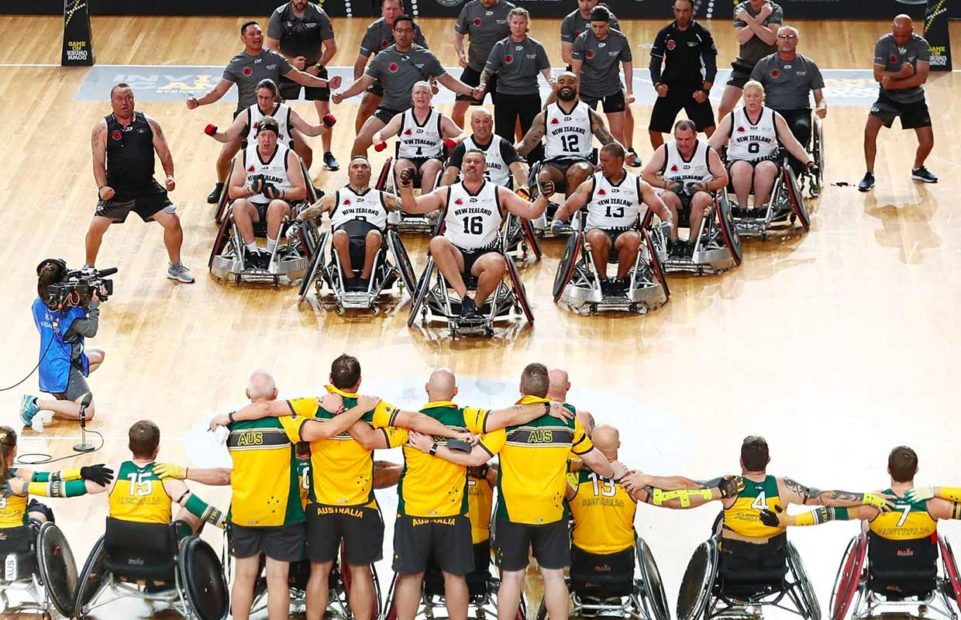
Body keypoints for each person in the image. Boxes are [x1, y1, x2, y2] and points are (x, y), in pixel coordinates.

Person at [208, 357, 475, 620]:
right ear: (359, 382)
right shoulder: (372, 407)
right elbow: (415, 421)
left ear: (330, 380)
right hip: (360, 506)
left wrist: (228, 417)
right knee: (360, 573)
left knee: (319, 571)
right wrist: (455, 435)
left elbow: (266, 409)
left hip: (321, 507)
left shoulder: (313, 405)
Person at [361, 368, 575, 620]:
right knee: (455, 577)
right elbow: (508, 417)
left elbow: (370, 440)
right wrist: (545, 407)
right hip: (453, 515)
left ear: (427, 389)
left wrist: (352, 413)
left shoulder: (408, 423)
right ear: (455, 392)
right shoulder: (468, 417)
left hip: (412, 513)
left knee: (410, 577)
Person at [418, 363, 626, 620]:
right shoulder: (569, 420)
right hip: (551, 512)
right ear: (548, 389)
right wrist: (611, 472)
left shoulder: (506, 423)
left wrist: (432, 448)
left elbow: (474, 460)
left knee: (512, 579)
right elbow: (595, 460)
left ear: (520, 388)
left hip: (513, 514)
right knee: (553, 577)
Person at [628, 435, 890, 584]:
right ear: (768, 461)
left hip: (732, 567)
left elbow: (684, 487)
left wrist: (645, 482)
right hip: (772, 566)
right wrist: (868, 497)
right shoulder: (783, 486)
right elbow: (826, 498)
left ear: (740, 461)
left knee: (722, 520)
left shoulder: (729, 486)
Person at [186, 21, 340, 203]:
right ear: (243, 38)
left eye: (259, 33)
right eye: (252, 34)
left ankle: (299, 183)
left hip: (276, 119)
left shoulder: (274, 59)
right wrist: (198, 102)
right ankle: (221, 186)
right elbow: (218, 92)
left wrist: (326, 83)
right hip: (247, 118)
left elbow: (301, 77)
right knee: (224, 158)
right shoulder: (237, 64)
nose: (257, 37)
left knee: (306, 151)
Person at [398, 151, 550, 319]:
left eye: (477, 162)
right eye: (468, 161)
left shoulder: (500, 193)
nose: (472, 164)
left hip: (485, 255)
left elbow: (532, 212)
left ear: (485, 167)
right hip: (456, 255)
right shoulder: (446, 192)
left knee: (498, 263)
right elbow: (412, 207)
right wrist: (406, 187)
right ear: (461, 167)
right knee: (437, 242)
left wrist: (543, 197)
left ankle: (475, 307)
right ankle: (465, 300)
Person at [763, 447, 961, 568]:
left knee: (867, 523)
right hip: (922, 572)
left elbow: (830, 513)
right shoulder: (934, 504)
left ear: (888, 470)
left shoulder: (873, 504)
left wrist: (789, 520)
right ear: (916, 470)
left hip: (883, 571)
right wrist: (937, 491)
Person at [86, 83, 193, 283]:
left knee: (173, 222)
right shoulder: (102, 129)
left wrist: (169, 175)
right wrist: (102, 188)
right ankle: (89, 269)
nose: (125, 102)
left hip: (146, 187)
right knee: (96, 227)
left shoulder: (149, 123)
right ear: (112, 102)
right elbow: (98, 162)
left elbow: (164, 153)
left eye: (129, 98)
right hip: (117, 190)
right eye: (120, 99)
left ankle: (175, 266)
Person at [333, 14, 478, 158]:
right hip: (388, 111)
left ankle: (449, 175)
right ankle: (358, 180)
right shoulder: (382, 58)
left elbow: (449, 81)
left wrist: (472, 91)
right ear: (393, 32)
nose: (403, 34)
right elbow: (363, 82)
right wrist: (343, 95)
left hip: (419, 112)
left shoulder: (426, 57)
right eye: (399, 30)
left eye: (407, 30)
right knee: (359, 142)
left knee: (452, 143)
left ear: (414, 33)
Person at [552, 143, 674, 294]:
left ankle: (619, 281)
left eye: (605, 161)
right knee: (597, 237)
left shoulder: (637, 184)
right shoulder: (593, 183)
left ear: (619, 161)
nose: (601, 165)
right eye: (600, 160)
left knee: (633, 238)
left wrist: (667, 222)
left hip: (624, 234)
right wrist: (557, 221)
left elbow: (662, 209)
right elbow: (568, 207)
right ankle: (602, 282)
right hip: (597, 233)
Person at [297, 156, 408, 291]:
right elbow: (309, 212)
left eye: (364, 167)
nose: (359, 170)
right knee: (339, 235)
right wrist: (297, 221)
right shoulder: (335, 196)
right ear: (349, 173)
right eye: (355, 167)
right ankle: (349, 279)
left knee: (373, 235)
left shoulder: (383, 197)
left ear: (370, 172)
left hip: (375, 248)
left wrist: (406, 187)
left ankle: (364, 279)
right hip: (343, 246)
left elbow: (410, 206)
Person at [21, 259, 107, 428]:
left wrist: (82, 302)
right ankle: (37, 403)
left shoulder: (37, 304)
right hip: (63, 368)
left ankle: (64, 399)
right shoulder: (70, 315)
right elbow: (91, 330)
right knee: (87, 412)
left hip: (48, 365)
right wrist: (94, 305)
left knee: (98, 356)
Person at [708, 81, 813, 216]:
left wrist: (808, 162)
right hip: (737, 161)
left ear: (763, 97)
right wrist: (695, 157)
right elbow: (712, 144)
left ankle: (758, 209)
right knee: (742, 168)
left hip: (768, 160)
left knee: (765, 169)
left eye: (756, 96)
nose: (752, 99)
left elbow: (791, 143)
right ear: (743, 97)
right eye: (748, 96)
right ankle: (742, 209)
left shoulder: (774, 117)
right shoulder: (732, 117)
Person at [515, 72, 621, 203]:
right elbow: (526, 144)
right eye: (562, 81)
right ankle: (543, 215)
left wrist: (625, 152)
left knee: (577, 171)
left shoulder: (588, 113)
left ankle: (567, 217)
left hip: (581, 161)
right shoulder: (545, 115)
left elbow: (608, 141)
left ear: (577, 85)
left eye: (570, 82)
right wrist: (511, 150)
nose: (566, 85)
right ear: (557, 86)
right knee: (542, 177)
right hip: (553, 163)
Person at [859, 15, 936, 192]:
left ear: (912, 31)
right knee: (870, 131)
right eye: (897, 35)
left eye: (904, 35)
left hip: (914, 99)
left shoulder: (922, 45)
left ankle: (918, 168)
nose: (900, 39)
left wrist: (893, 81)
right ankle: (869, 174)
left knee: (927, 142)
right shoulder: (884, 43)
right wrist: (902, 73)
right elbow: (878, 75)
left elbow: (921, 77)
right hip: (888, 99)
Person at [0, 426, 112, 547]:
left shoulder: (19, 477)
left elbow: (52, 481)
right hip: (17, 542)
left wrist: (81, 472)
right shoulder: (19, 477)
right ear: (15, 450)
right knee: (40, 510)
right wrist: (83, 476)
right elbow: (55, 485)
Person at [560, 0, 639, 164]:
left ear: (609, 24)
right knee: (583, 130)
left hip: (612, 88)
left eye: (601, 27)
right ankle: (580, 162)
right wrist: (577, 93)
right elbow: (575, 71)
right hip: (588, 89)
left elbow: (627, 64)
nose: (597, 30)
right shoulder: (582, 40)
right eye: (594, 26)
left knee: (616, 133)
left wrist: (630, 90)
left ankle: (619, 164)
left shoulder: (620, 39)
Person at [225, 116, 308, 269]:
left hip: (279, 206)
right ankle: (253, 252)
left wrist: (280, 194)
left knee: (276, 205)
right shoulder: (244, 155)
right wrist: (250, 189)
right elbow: (232, 192)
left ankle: (270, 253)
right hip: (253, 207)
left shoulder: (288, 155)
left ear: (277, 137)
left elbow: (302, 191)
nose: (266, 140)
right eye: (263, 135)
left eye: (271, 136)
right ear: (257, 137)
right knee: (238, 204)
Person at [266, 0, 340, 171]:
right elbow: (271, 47)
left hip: (314, 68)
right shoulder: (279, 14)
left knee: (325, 113)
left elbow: (331, 48)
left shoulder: (319, 15)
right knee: (276, 110)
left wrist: (318, 67)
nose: (300, 1)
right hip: (286, 69)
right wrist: (290, 62)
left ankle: (327, 154)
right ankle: (275, 149)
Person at [642, 120, 728, 257]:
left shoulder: (707, 151)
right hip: (675, 197)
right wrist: (665, 185)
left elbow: (724, 178)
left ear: (695, 136)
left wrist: (706, 186)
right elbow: (646, 175)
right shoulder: (665, 149)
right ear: (674, 136)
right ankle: (673, 242)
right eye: (679, 139)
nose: (683, 143)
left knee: (701, 197)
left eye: (687, 139)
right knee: (666, 197)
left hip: (699, 197)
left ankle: (692, 243)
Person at [479, 7, 553, 161]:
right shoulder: (500, 46)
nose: (518, 26)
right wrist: (482, 84)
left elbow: (546, 69)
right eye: (515, 23)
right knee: (503, 134)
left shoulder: (536, 47)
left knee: (533, 133)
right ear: (509, 24)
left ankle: (535, 167)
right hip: (505, 96)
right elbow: (487, 70)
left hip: (530, 95)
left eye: (521, 23)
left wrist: (552, 81)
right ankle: (503, 165)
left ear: (527, 24)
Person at [750, 26, 826, 173]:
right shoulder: (764, 64)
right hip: (772, 112)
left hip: (799, 111)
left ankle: (793, 173)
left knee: (801, 129)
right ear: (777, 40)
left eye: (790, 37)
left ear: (797, 41)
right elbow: (751, 89)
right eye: (782, 37)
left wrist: (821, 107)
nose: (786, 40)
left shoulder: (809, 65)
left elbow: (820, 97)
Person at [203, 78, 330, 165]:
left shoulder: (286, 112)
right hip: (254, 162)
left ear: (274, 97)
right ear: (256, 95)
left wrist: (325, 125)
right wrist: (214, 133)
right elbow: (226, 136)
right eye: (260, 97)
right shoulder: (247, 113)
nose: (263, 102)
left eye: (267, 98)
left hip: (282, 162)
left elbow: (311, 131)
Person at [372, 82, 465, 195]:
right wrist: (378, 141)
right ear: (412, 96)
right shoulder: (402, 118)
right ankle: (406, 203)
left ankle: (426, 204)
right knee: (401, 166)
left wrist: (456, 140)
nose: (421, 96)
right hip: (407, 158)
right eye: (417, 93)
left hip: (431, 158)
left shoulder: (440, 118)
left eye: (425, 93)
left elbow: (464, 135)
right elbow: (379, 134)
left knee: (432, 166)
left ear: (431, 96)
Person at [648, 0, 718, 149]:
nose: (682, 15)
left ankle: (716, 165)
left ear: (692, 10)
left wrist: (705, 91)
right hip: (670, 89)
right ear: (674, 10)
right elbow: (654, 64)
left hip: (694, 89)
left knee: (711, 131)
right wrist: (658, 84)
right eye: (678, 10)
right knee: (654, 130)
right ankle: (663, 164)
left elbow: (711, 67)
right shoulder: (665, 33)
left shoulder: (702, 34)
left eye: (685, 11)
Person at [352, 0, 429, 135]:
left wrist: (429, 83)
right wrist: (359, 87)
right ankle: (360, 147)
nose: (391, 13)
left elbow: (427, 59)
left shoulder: (413, 28)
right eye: (388, 9)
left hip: (408, 78)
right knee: (365, 105)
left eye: (395, 9)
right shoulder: (374, 30)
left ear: (402, 10)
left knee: (419, 113)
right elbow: (360, 63)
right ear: (382, 10)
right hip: (382, 77)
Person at [452, 0, 515, 128]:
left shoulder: (509, 10)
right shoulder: (469, 8)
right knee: (458, 110)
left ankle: (519, 147)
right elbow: (458, 35)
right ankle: (458, 145)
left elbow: (518, 37)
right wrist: (461, 53)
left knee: (513, 113)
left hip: (501, 73)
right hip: (475, 69)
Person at [717, 0, 783, 122]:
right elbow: (741, 38)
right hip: (744, 65)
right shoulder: (741, 8)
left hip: (769, 67)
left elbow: (770, 39)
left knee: (776, 110)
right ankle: (722, 141)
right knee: (724, 108)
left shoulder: (774, 8)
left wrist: (748, 19)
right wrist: (762, 17)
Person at [440, 108, 528, 190]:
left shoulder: (503, 145)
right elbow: (450, 173)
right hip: (469, 195)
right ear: (471, 124)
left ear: (492, 123)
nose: (481, 125)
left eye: (485, 121)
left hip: (499, 194)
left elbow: (519, 169)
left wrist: (525, 187)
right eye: (477, 122)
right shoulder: (463, 146)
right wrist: (442, 191)